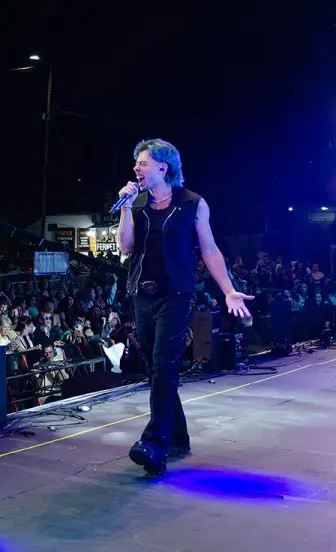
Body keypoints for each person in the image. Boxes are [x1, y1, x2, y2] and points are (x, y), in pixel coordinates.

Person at [117, 138, 252, 475]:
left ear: (163, 167)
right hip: (141, 294)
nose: (137, 168)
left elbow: (209, 250)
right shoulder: (138, 203)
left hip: (175, 295)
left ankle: (154, 444)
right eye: (137, 164)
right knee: (153, 368)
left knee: (164, 364)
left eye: (143, 163)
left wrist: (228, 290)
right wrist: (125, 206)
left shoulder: (193, 204)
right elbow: (125, 245)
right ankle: (177, 435)